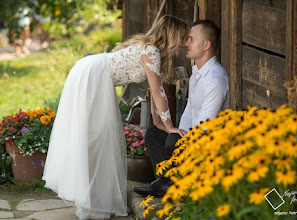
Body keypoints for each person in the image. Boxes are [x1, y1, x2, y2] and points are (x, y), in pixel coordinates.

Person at [42, 15, 188, 220]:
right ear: (171, 35)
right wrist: (170, 126)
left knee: (96, 140)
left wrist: (158, 122)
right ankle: (91, 202)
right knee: (95, 140)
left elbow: (155, 91)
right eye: (182, 37)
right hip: (93, 76)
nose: (183, 43)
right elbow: (157, 92)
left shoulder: (154, 53)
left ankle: (93, 201)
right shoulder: (151, 51)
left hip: (95, 76)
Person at [133, 19, 230, 197]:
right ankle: (167, 183)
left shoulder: (215, 79)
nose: (186, 43)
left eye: (191, 39)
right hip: (191, 138)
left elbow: (205, 127)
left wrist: (179, 138)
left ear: (206, 45)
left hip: (207, 144)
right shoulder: (196, 76)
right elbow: (188, 113)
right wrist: (177, 132)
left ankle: (171, 185)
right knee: (154, 133)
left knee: (173, 140)